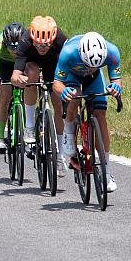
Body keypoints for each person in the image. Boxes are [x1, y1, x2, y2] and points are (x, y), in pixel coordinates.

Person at [53, 32, 122, 192]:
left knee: (100, 115)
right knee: (74, 98)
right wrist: (63, 92)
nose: (91, 68)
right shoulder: (68, 52)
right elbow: (57, 83)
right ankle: (69, 137)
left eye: (95, 65)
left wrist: (116, 87)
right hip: (73, 75)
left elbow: (116, 80)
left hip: (94, 79)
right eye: (88, 64)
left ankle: (106, 171)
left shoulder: (112, 52)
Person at [11, 16, 69, 176]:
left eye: (46, 45)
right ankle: (29, 126)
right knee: (31, 74)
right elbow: (14, 76)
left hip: (54, 64)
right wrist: (19, 79)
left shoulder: (61, 40)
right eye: (39, 45)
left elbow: (68, 67)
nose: (42, 48)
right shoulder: (25, 41)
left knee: (58, 103)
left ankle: (60, 155)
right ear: (32, 40)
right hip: (32, 63)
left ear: (52, 40)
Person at [0, 22, 25, 155]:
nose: (14, 50)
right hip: (4, 65)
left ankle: (26, 130)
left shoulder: (27, 43)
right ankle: (0, 138)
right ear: (5, 43)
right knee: (4, 95)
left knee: (28, 92)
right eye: (11, 47)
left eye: (17, 47)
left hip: (22, 64)